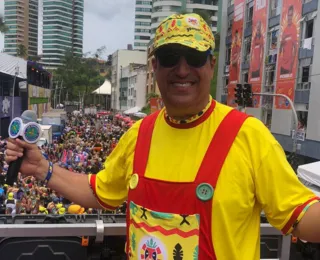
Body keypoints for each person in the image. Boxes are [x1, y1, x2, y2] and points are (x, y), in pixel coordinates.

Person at [4, 13, 320, 259]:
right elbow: (100, 192)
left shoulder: (248, 135)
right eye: (170, 58)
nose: (182, 70)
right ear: (155, 68)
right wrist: (41, 168)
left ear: (210, 65)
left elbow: (300, 216)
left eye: (194, 58)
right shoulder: (138, 134)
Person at [279, 5, 297, 75]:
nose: (289, 17)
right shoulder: (285, 30)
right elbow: (280, 50)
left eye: (291, 15)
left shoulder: (294, 29)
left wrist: (292, 65)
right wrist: (282, 41)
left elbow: (295, 48)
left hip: (289, 67)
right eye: (288, 15)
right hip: (282, 65)